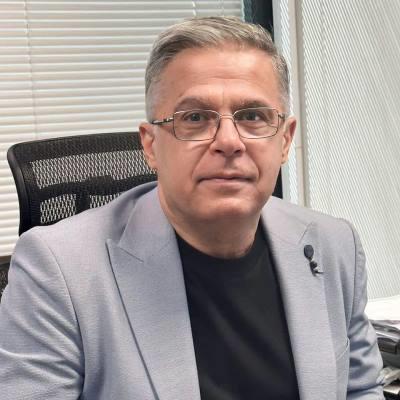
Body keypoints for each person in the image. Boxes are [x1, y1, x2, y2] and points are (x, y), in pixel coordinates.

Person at [0, 16, 384, 400]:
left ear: (285, 140)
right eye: (195, 118)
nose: (229, 142)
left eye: (253, 116)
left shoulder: (334, 245)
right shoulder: (59, 271)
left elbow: (361, 389)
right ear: (150, 145)